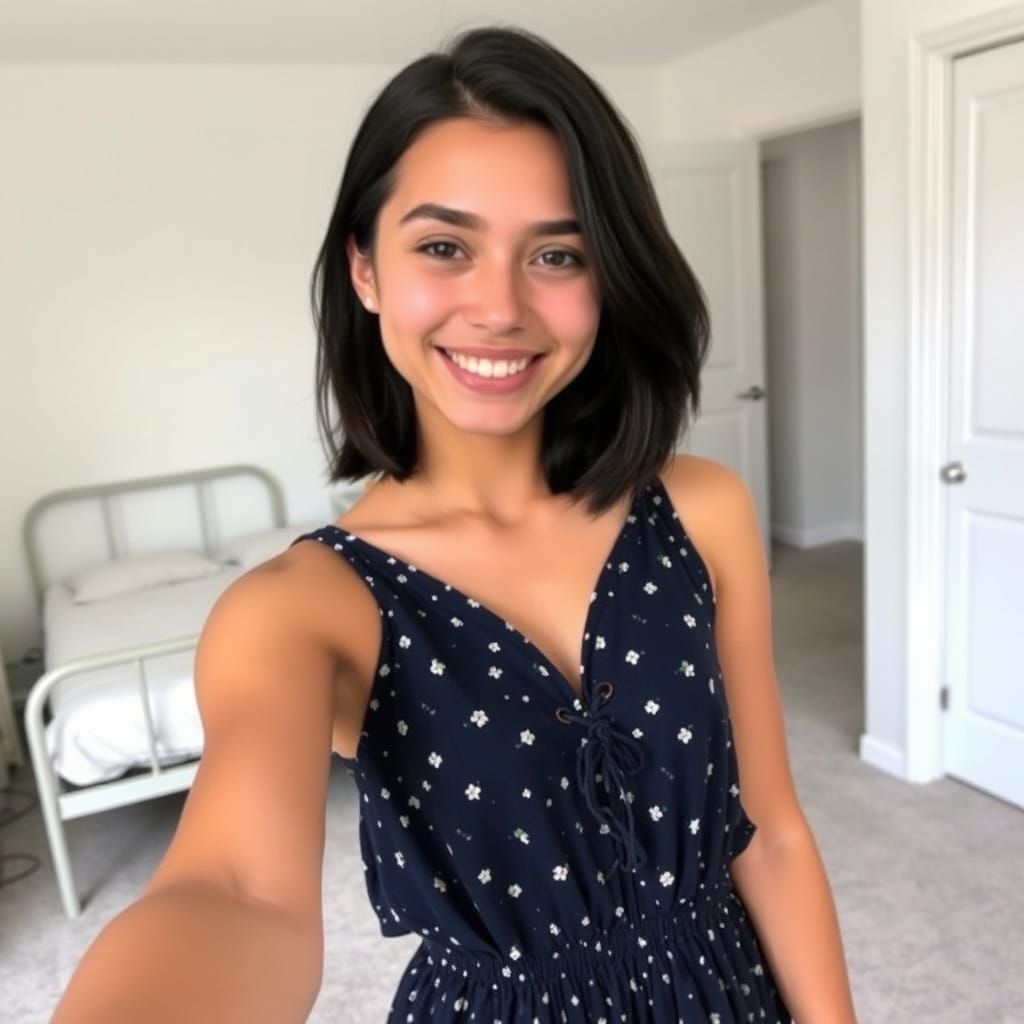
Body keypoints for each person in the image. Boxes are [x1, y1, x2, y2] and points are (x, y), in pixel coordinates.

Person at [52, 24, 858, 1024]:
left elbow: (768, 830)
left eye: (556, 253)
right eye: (443, 246)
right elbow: (233, 891)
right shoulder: (304, 607)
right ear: (365, 270)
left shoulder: (701, 509)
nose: (500, 306)